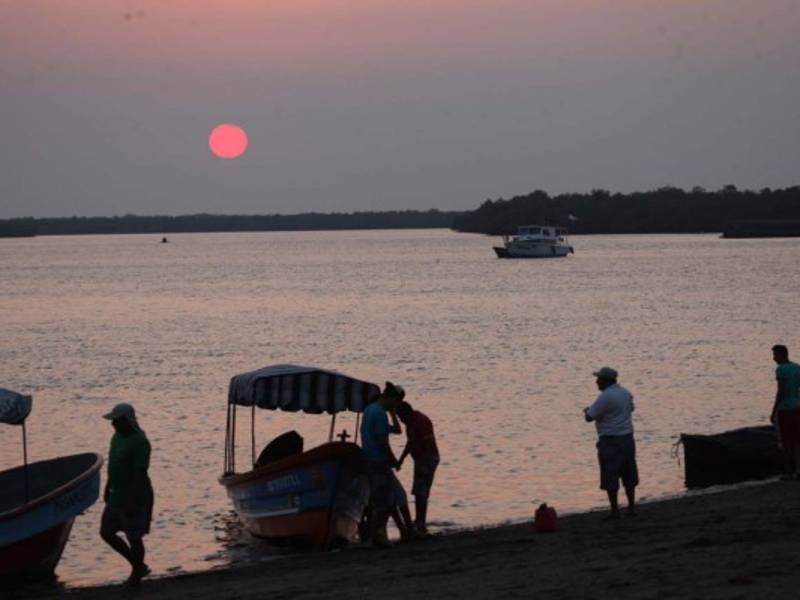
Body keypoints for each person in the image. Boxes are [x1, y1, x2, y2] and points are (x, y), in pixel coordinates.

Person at [100, 403, 154, 582]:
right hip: (117, 493)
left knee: (134, 536)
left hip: (136, 495)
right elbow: (113, 464)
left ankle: (136, 573)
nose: (113, 424)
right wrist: (108, 487)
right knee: (106, 532)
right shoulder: (116, 437)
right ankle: (139, 566)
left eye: (116, 421)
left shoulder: (140, 441)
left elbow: (140, 474)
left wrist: (132, 500)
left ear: (126, 420)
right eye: (113, 421)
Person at [583, 367, 638, 520]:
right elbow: (630, 409)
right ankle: (631, 508)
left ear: (606, 381)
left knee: (610, 475)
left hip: (609, 440)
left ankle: (615, 511)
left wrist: (587, 410)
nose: (596, 382)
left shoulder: (605, 397)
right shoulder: (626, 393)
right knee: (629, 474)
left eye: (599, 379)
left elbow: (589, 417)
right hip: (627, 438)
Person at [360, 384, 402, 546]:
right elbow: (382, 442)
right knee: (386, 501)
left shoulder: (370, 410)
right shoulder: (379, 414)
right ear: (390, 398)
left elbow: (396, 431)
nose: (395, 407)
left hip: (370, 460)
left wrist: (391, 413)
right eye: (395, 403)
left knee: (380, 500)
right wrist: (393, 460)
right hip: (379, 461)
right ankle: (377, 533)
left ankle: (376, 534)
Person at [397, 400, 440, 535]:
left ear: (406, 414)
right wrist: (401, 460)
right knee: (418, 491)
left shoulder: (421, 420)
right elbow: (410, 443)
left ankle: (421, 523)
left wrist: (424, 464)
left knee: (421, 491)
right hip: (420, 459)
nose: (400, 420)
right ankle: (419, 521)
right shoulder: (409, 422)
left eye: (400, 417)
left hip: (428, 458)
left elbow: (428, 442)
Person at [770, 344, 800, 479]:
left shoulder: (781, 369)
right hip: (797, 407)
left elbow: (781, 391)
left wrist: (774, 410)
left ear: (781, 355)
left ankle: (788, 472)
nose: (773, 358)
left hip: (785, 409)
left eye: (775, 355)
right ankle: (798, 470)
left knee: (786, 441)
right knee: (797, 440)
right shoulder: (797, 368)